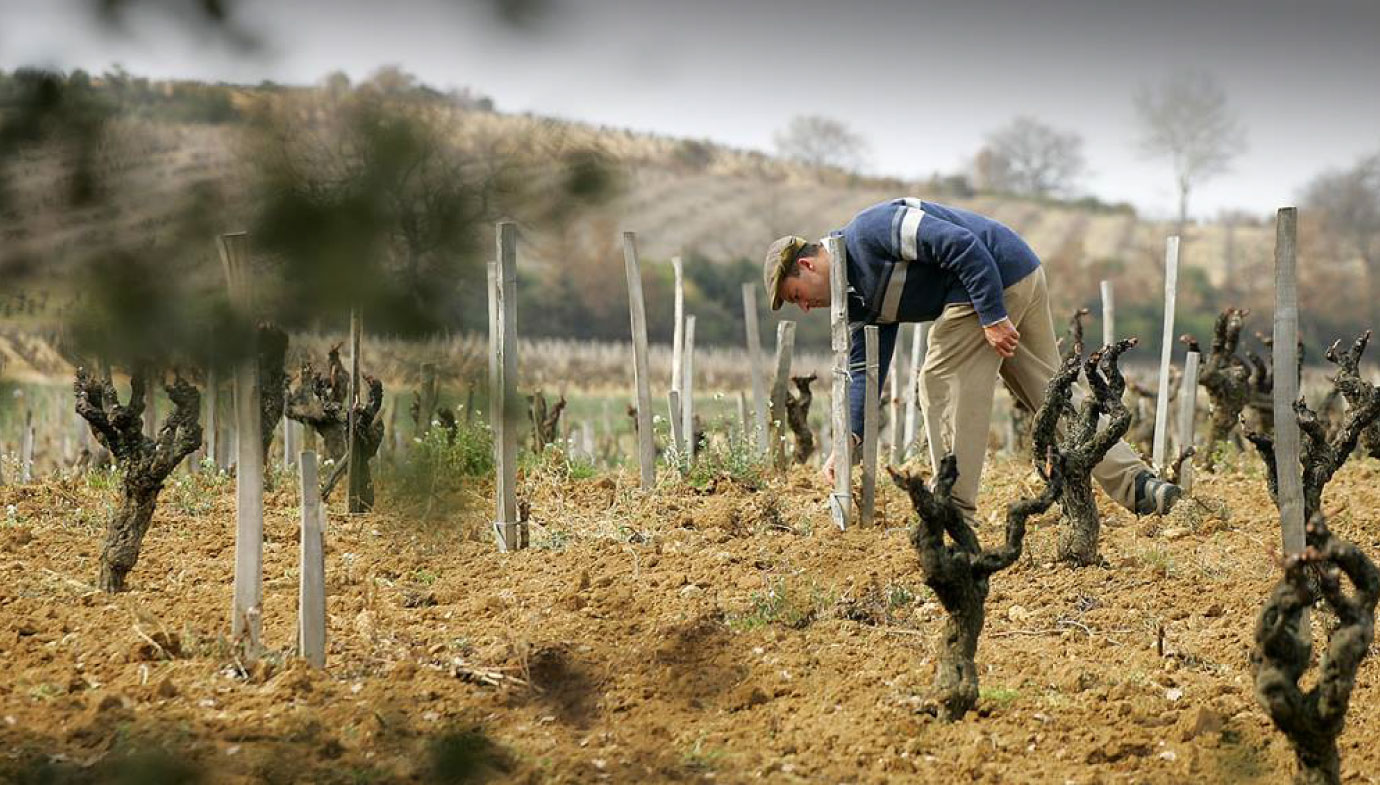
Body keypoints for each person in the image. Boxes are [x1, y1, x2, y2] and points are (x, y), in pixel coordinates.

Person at [762, 197, 1181, 523]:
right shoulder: (855, 301)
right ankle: (1141, 488)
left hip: (993, 276)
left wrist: (993, 315)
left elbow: (962, 244)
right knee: (1051, 395)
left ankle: (954, 511)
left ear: (806, 264)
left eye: (797, 296)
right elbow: (862, 372)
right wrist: (848, 438)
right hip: (1021, 270)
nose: (804, 308)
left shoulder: (871, 231)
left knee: (939, 381)